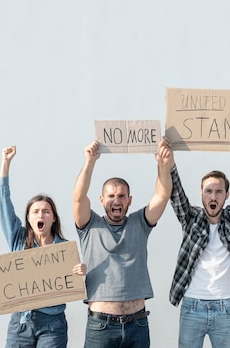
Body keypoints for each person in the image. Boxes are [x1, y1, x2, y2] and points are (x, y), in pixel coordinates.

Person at [167, 135, 230, 348]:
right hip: (192, 305)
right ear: (201, 194)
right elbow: (175, 191)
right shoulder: (190, 218)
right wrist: (169, 160)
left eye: (218, 192)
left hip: (226, 308)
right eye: (208, 191)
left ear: (226, 195)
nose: (213, 197)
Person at [73, 139, 173, 348]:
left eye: (121, 196)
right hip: (101, 327)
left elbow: (163, 195)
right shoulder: (89, 225)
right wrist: (89, 162)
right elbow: (79, 197)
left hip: (137, 324)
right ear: (101, 200)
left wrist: (162, 165)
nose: (116, 201)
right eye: (111, 196)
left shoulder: (139, 223)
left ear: (129, 200)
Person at [0, 145, 86, 348]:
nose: (40, 215)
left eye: (46, 211)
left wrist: (79, 272)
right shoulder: (18, 240)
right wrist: (5, 163)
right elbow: (2, 204)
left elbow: (72, 284)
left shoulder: (64, 250)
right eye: (35, 211)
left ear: (53, 218)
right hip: (21, 323)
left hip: (53, 325)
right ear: (28, 218)